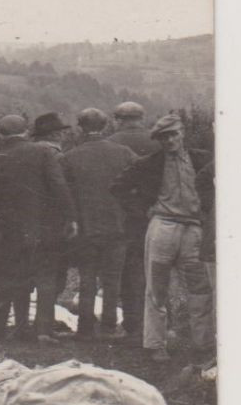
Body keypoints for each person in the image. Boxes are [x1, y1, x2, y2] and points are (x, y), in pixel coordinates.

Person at [110, 112, 214, 368]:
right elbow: (118, 187)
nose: (169, 141)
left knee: (200, 288)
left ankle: (204, 344)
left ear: (182, 133)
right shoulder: (150, 163)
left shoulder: (202, 158)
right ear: (158, 140)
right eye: (163, 137)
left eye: (173, 135)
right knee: (157, 287)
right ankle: (155, 345)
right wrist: (141, 210)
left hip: (194, 229)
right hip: (163, 227)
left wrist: (207, 211)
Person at [0, 114, 75, 340]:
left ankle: (20, 326)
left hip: (10, 229)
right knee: (46, 277)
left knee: (17, 277)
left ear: (0, 134)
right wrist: (70, 217)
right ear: (25, 132)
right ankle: (43, 330)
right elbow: (58, 186)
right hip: (45, 227)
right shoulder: (43, 152)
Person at [60, 108, 136, 338]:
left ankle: (85, 328)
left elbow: (64, 194)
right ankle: (109, 327)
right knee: (112, 280)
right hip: (118, 226)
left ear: (80, 127)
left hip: (85, 228)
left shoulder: (69, 157)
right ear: (105, 126)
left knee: (87, 279)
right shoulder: (125, 153)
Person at [107, 101, 159, 337]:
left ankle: (132, 322)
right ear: (142, 117)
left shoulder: (111, 143)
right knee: (156, 269)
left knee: (129, 270)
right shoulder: (158, 140)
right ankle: (156, 323)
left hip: (123, 217)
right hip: (156, 214)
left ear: (118, 119)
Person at [29, 112, 77, 335]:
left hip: (25, 224)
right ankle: (44, 326)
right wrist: (71, 218)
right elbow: (63, 190)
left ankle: (27, 323)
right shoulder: (58, 157)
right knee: (53, 276)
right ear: (56, 134)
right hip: (52, 225)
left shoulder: (25, 153)